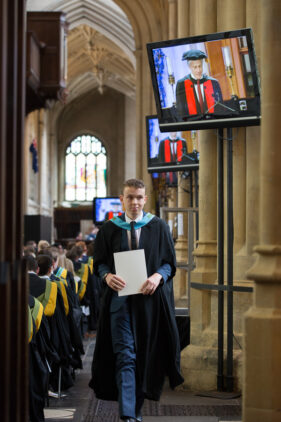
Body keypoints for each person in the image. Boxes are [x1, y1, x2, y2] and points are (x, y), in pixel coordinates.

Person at [89, 178, 183, 422]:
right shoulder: (109, 228)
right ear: (122, 199)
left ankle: (135, 412)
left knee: (143, 357)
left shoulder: (158, 226)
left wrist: (157, 277)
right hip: (119, 304)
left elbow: (169, 264)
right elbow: (99, 263)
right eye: (130, 197)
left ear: (145, 199)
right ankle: (128, 415)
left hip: (148, 302)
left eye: (139, 197)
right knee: (126, 355)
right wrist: (107, 276)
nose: (135, 202)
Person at [176, 49, 223, 119]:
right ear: (189, 67)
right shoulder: (181, 84)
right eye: (195, 67)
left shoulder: (213, 83)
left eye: (200, 66)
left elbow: (220, 108)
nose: (198, 70)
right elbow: (181, 111)